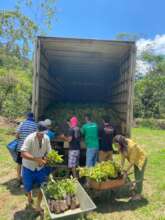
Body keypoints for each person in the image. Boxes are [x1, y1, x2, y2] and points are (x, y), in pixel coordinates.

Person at [21, 122, 51, 213]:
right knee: (27, 186)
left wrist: (45, 160)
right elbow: (23, 153)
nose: (43, 136)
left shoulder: (46, 138)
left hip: (40, 168)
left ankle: (38, 205)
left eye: (44, 134)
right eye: (41, 134)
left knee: (43, 186)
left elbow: (49, 152)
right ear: (37, 131)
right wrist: (36, 159)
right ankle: (29, 197)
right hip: (28, 167)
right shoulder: (29, 138)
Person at [113, 135, 147, 201]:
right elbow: (123, 158)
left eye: (116, 145)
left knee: (138, 176)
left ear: (121, 143)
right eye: (114, 145)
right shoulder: (122, 146)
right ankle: (136, 191)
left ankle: (138, 195)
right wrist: (121, 168)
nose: (116, 147)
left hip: (141, 159)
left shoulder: (132, 146)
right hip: (135, 160)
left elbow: (132, 162)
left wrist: (125, 171)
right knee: (136, 175)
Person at [15, 112, 37, 186]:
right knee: (28, 164)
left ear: (27, 116)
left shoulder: (22, 123)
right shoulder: (35, 125)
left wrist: (21, 138)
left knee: (19, 163)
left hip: (21, 148)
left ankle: (19, 179)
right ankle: (27, 180)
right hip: (30, 149)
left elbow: (17, 135)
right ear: (33, 117)